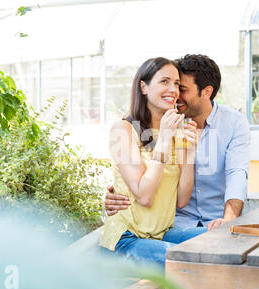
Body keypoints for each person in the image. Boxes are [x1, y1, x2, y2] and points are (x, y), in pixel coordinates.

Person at [104, 54, 251, 232]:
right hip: (174, 223)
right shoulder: (163, 122)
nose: (175, 94)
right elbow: (141, 176)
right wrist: (119, 192)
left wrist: (229, 219)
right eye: (170, 84)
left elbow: (237, 173)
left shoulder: (234, 123)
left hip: (215, 221)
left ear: (206, 92)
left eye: (180, 87)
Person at [98, 57, 207, 268]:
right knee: (191, 263)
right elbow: (145, 196)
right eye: (164, 81)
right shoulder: (123, 130)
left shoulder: (175, 131)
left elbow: (182, 199)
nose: (173, 89)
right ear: (143, 87)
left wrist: (191, 150)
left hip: (161, 235)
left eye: (176, 83)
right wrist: (164, 140)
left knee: (219, 240)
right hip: (127, 240)